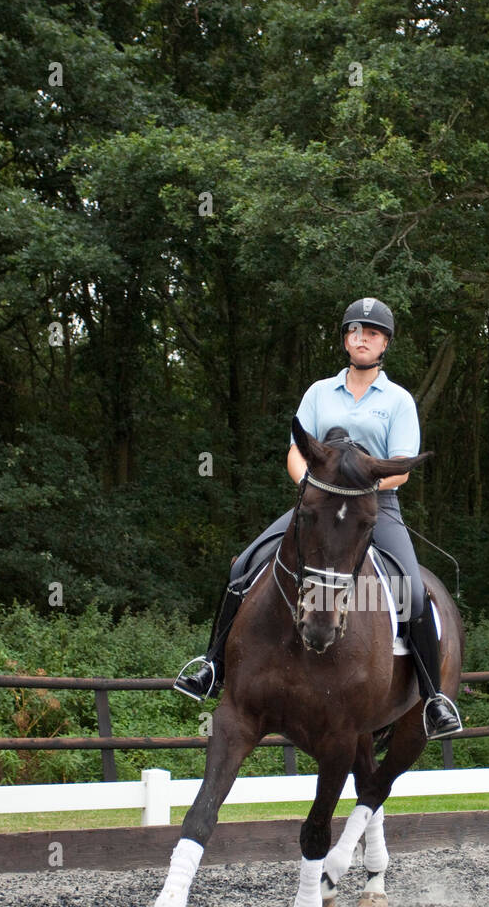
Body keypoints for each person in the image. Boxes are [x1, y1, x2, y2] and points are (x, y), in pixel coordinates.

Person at [173, 298, 462, 738]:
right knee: (241, 567)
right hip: (316, 506)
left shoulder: (398, 401)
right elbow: (295, 451)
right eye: (354, 331)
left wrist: (352, 490)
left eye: (371, 332)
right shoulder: (319, 393)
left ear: (384, 343)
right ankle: (212, 666)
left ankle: (433, 697)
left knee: (414, 592)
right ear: (346, 338)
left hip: (374, 509)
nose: (361, 338)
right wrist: (313, 490)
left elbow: (401, 468)